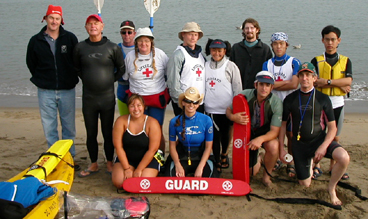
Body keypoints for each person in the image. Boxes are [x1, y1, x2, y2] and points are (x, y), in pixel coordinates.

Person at [279, 62, 350, 205]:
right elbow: (283, 125)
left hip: (319, 140)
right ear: (298, 77)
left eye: (308, 75)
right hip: (300, 144)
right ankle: (309, 163)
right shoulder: (290, 99)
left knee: (343, 158)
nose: (305, 78)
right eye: (302, 75)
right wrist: (282, 147)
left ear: (314, 78)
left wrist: (324, 146)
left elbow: (332, 128)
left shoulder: (323, 99)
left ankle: (332, 188)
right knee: (305, 184)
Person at [26, 5, 79, 169]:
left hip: (67, 90)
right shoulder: (36, 40)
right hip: (45, 91)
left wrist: (69, 77)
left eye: (57, 18)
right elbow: (31, 63)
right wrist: (43, 79)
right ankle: (54, 160)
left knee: (69, 127)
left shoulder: (70, 38)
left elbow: (76, 61)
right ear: (46, 18)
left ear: (61, 20)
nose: (54, 21)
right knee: (50, 128)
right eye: (51, 18)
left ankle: (69, 158)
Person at [73, 14, 125, 177]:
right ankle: (94, 163)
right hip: (89, 98)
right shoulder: (80, 48)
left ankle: (109, 162)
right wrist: (90, 80)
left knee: (107, 132)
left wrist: (109, 80)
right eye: (89, 24)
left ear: (102, 26)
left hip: (107, 97)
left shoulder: (112, 48)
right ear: (86, 28)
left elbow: (121, 69)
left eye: (96, 23)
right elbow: (77, 69)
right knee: (91, 132)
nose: (93, 26)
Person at [226, 71, 282, 186]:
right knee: (251, 173)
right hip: (248, 132)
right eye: (261, 84)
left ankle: (267, 176)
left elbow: (275, 131)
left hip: (265, 133)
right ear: (256, 85)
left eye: (267, 85)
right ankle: (260, 158)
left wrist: (260, 139)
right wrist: (233, 117)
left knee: (273, 146)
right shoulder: (245, 95)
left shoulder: (276, 103)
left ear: (272, 87)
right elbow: (228, 110)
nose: (264, 88)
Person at [311, 25, 352, 180]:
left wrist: (326, 81)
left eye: (333, 39)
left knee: (335, 136)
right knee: (319, 134)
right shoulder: (316, 60)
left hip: (338, 103)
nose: (330, 42)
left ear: (338, 41)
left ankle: (333, 165)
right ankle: (317, 165)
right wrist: (339, 83)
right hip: (320, 103)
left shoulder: (346, 61)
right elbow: (313, 82)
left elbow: (348, 80)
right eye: (327, 39)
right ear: (322, 40)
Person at [123, 27, 169, 152]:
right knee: (138, 129)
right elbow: (126, 77)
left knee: (156, 129)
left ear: (151, 42)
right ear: (136, 42)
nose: (144, 44)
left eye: (147, 41)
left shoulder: (160, 55)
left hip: (156, 98)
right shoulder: (130, 57)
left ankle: (160, 159)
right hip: (137, 99)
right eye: (140, 41)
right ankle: (141, 156)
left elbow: (168, 74)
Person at [262, 32, 301, 177]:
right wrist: (286, 83)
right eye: (275, 44)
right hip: (273, 105)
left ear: (286, 45)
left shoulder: (294, 62)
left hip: (290, 104)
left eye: (281, 44)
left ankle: (290, 161)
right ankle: (277, 158)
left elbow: (295, 84)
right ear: (272, 46)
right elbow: (267, 85)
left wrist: (276, 84)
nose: (278, 46)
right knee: (275, 135)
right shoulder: (267, 63)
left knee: (290, 135)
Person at [204, 39, 242, 173]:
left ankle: (224, 154)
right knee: (214, 136)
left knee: (226, 134)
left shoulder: (231, 66)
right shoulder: (205, 65)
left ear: (224, 51)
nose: (216, 53)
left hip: (227, 109)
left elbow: (237, 88)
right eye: (213, 50)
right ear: (210, 51)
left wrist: (235, 107)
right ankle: (216, 159)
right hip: (210, 109)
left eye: (219, 51)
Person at [165, 87, 217, 177]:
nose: (191, 104)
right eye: (188, 101)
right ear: (183, 102)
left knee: (211, 180)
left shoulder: (206, 120)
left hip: (201, 156)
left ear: (198, 104)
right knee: (171, 178)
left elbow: (208, 147)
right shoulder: (174, 121)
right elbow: (172, 147)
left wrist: (201, 167)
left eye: (195, 102)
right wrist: (177, 165)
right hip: (182, 156)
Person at [112, 94, 161, 188]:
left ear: (144, 107)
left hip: (148, 158)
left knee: (140, 184)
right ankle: (126, 169)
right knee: (120, 183)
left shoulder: (152, 123)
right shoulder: (121, 121)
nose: (136, 109)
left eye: (139, 105)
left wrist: (139, 169)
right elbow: (118, 147)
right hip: (128, 157)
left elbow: (152, 150)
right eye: (132, 106)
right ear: (128, 108)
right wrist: (126, 169)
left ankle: (153, 170)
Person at [167, 22, 206, 116]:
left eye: (195, 35)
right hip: (185, 103)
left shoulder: (201, 56)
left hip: (199, 102)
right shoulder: (178, 55)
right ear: (183, 35)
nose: (193, 38)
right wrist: (182, 102)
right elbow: (173, 82)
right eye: (190, 34)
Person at [230, 18, 272, 90]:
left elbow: (269, 72)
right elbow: (231, 70)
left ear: (257, 30)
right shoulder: (236, 48)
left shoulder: (265, 49)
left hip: (259, 90)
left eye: (252, 28)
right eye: (247, 28)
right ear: (243, 30)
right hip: (239, 89)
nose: (249, 30)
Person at [117, 20, 136, 116]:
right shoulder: (116, 49)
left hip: (138, 92)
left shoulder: (141, 49)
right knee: (124, 120)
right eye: (124, 32)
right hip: (122, 91)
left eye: (129, 32)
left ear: (134, 34)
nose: (127, 35)